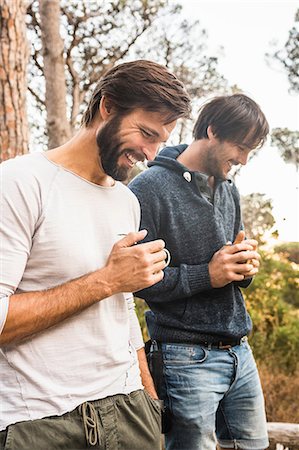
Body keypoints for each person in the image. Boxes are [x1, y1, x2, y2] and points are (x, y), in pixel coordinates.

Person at [0, 59, 191, 450]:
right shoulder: (19, 183)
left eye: (161, 139)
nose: (152, 153)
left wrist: (149, 400)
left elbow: (123, 311)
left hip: (129, 412)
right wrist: (105, 280)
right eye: (146, 133)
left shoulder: (126, 201)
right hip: (41, 422)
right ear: (107, 106)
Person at [129, 93, 270, 450]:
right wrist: (207, 274)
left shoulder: (228, 189)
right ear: (211, 131)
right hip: (185, 358)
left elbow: (229, 264)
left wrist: (244, 266)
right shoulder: (147, 189)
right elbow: (139, 282)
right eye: (240, 147)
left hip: (240, 350)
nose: (243, 159)